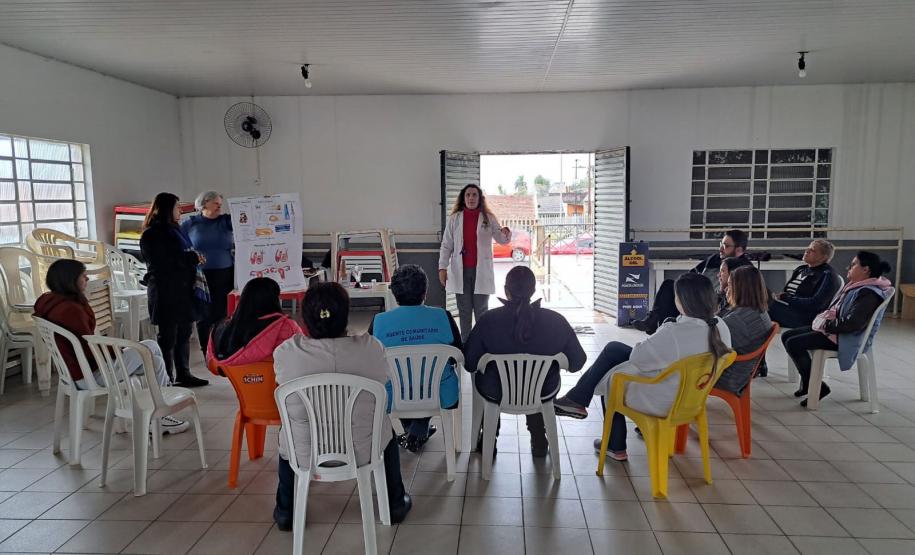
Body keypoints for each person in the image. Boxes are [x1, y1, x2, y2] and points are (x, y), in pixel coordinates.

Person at [272, 282, 411, 531]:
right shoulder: (371, 348)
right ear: (346, 314)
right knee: (385, 426)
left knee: (289, 429)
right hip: (363, 450)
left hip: (306, 453)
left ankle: (286, 511)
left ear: (304, 318)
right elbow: (384, 379)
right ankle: (395, 504)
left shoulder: (286, 353)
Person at [553, 273, 732, 461]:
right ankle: (578, 399)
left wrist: (663, 329)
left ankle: (613, 443)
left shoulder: (675, 331)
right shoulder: (720, 326)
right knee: (613, 350)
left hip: (664, 398)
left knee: (612, 378)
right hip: (691, 397)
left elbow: (639, 358)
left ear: (683, 301)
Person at [33, 259, 188, 434]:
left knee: (153, 353)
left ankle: (158, 412)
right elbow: (89, 348)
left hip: (76, 372)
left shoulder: (51, 303)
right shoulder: (71, 310)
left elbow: (86, 345)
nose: (87, 279)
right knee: (150, 353)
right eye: (83, 276)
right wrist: (116, 351)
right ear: (70, 280)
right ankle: (159, 415)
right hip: (90, 374)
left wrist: (117, 352)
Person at [464, 266, 586, 457]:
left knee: (493, 378)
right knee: (536, 382)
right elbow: (578, 362)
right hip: (543, 393)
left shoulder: (488, 320)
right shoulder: (555, 321)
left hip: (497, 393)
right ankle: (538, 438)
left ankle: (489, 439)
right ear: (533, 290)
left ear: (506, 291)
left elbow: (469, 362)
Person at [369, 264, 462, 452]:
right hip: (440, 393)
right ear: (425, 292)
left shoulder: (379, 321)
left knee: (401, 379)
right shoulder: (443, 316)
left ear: (394, 294)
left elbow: (369, 361)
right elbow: (457, 354)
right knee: (427, 378)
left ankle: (415, 429)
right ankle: (418, 429)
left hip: (395, 396)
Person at [783, 251, 893, 407]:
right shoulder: (858, 286)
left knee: (794, 343)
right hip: (835, 332)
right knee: (787, 336)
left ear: (865, 269)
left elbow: (852, 324)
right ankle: (811, 383)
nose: (849, 266)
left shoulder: (868, 293)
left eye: (854, 264)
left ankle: (818, 387)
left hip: (845, 337)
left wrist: (825, 325)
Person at [140, 192, 209, 387]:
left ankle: (184, 373)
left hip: (183, 289)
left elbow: (184, 253)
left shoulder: (176, 230)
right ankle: (167, 377)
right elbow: (162, 262)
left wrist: (195, 258)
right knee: (168, 335)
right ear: (166, 209)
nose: (180, 211)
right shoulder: (152, 234)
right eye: (177, 207)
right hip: (165, 291)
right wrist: (192, 259)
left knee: (185, 332)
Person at [632, 229, 749, 334]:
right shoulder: (714, 259)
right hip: (696, 293)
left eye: (725, 246)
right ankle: (655, 322)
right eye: (721, 244)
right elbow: (691, 273)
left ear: (738, 250)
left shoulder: (743, 268)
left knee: (682, 299)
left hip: (711, 302)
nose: (720, 249)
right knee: (669, 286)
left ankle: (665, 332)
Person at [438, 184, 512, 342]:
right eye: (468, 195)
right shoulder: (455, 218)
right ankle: (466, 344)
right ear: (463, 198)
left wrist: (506, 233)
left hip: (481, 272)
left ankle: (483, 343)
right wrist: (442, 268)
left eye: (474, 195)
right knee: (464, 311)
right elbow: (446, 245)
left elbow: (502, 240)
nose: (471, 198)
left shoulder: (488, 218)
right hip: (461, 272)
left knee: (482, 311)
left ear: (479, 198)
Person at [182, 191, 235, 358]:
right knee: (204, 313)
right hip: (201, 275)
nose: (219, 206)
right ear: (204, 204)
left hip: (225, 273)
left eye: (220, 203)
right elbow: (178, 244)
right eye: (215, 203)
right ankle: (206, 350)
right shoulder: (191, 223)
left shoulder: (226, 221)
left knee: (222, 313)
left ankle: (221, 348)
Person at [206, 277, 303, 368]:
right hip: (278, 383)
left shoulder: (220, 328)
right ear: (274, 299)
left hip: (241, 384)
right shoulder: (286, 326)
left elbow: (213, 367)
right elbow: (301, 357)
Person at [716, 266, 773, 395]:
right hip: (739, 372)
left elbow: (711, 343)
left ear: (740, 289)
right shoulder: (756, 310)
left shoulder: (739, 320)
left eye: (730, 285)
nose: (726, 289)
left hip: (728, 376)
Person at [769, 239, 841, 329]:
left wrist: (785, 297)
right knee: (760, 298)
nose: (807, 251)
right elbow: (788, 292)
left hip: (805, 318)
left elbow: (815, 304)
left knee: (762, 305)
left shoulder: (828, 275)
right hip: (789, 309)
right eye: (808, 248)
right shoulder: (801, 269)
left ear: (823, 257)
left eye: (812, 250)